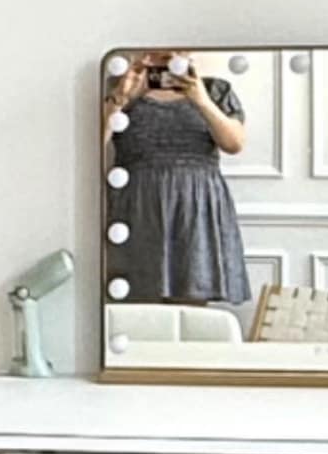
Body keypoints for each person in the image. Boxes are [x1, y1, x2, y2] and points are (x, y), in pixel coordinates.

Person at [104, 49, 251, 311]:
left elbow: (234, 143)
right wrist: (122, 97)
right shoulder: (120, 86)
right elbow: (88, 148)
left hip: (196, 212)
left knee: (192, 312)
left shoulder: (215, 89)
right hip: (138, 209)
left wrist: (201, 100)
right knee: (137, 311)